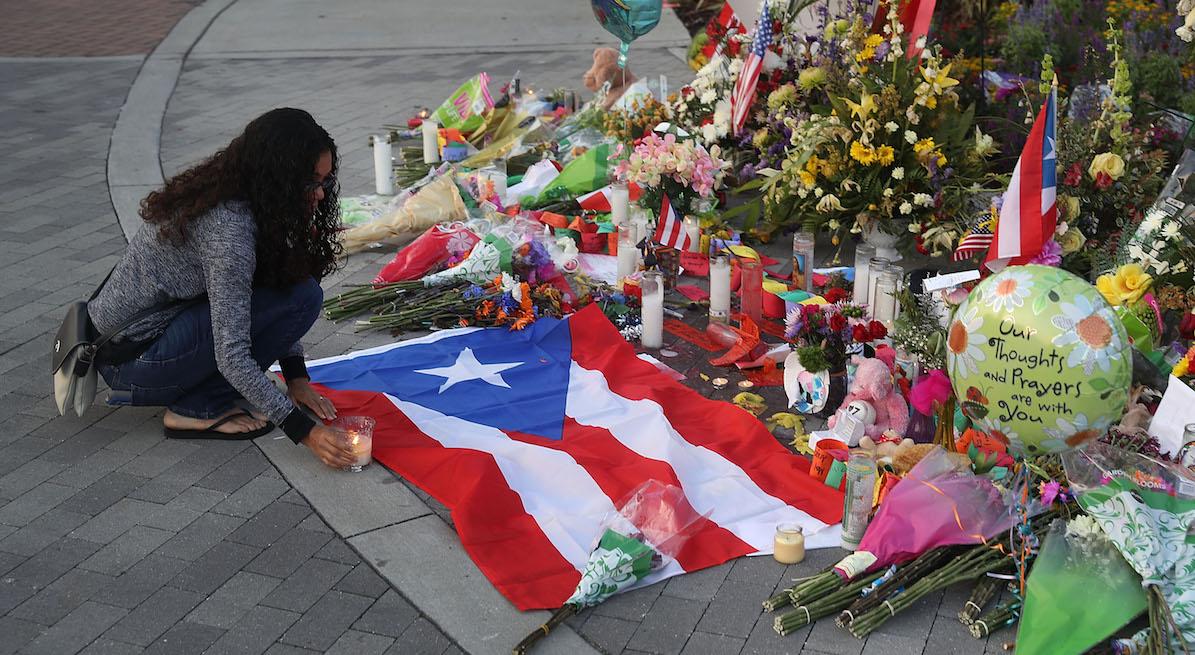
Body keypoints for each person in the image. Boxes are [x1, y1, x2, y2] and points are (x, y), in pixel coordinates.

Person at [89, 108, 356, 468]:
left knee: (300, 292)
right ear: (279, 176)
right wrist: (306, 432)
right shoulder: (228, 231)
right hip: (131, 362)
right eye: (311, 184)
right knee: (300, 300)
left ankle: (202, 390)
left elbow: (278, 281)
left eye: (324, 181)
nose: (321, 194)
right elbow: (231, 354)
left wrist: (296, 378)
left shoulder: (244, 192)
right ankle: (193, 408)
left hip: (138, 341)